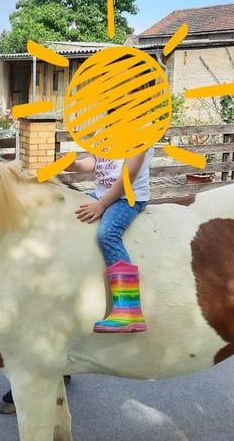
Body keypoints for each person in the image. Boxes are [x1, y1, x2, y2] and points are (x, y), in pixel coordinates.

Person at [63, 122, 154, 334]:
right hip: (100, 194)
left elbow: (129, 175)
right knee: (71, 218)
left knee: (107, 234)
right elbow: (94, 161)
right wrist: (74, 165)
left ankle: (129, 310)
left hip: (127, 198)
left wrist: (102, 205)